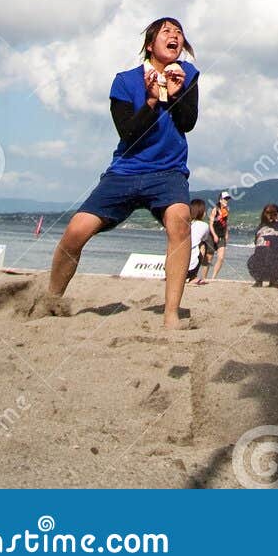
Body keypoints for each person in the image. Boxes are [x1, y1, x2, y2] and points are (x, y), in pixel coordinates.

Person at [47, 18, 199, 329]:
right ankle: (50, 300)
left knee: (180, 221)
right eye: (167, 31)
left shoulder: (188, 75)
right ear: (150, 45)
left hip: (168, 172)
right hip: (126, 170)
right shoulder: (125, 81)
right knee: (76, 231)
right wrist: (152, 100)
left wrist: (177, 94)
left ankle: (171, 315)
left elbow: (188, 123)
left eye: (179, 32)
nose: (175, 35)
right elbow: (129, 133)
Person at [188, 199, 212, 285]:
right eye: (204, 210)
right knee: (203, 245)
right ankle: (193, 277)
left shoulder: (183, 223)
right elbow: (204, 238)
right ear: (200, 212)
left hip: (172, 269)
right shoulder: (204, 225)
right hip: (188, 269)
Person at [208, 191, 230, 281]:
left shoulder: (227, 210)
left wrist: (227, 233)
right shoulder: (215, 210)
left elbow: (226, 223)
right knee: (209, 258)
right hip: (212, 235)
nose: (226, 201)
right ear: (220, 200)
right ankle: (204, 276)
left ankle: (213, 277)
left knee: (221, 258)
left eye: (227, 199)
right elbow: (210, 224)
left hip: (222, 236)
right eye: (225, 199)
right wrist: (214, 235)